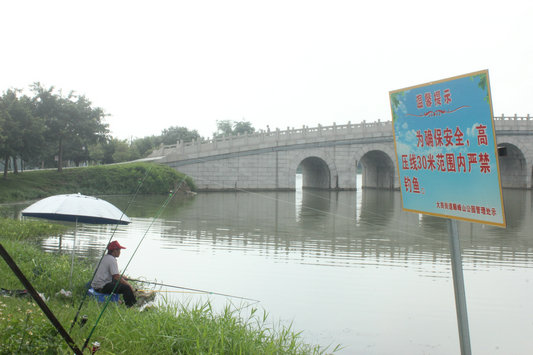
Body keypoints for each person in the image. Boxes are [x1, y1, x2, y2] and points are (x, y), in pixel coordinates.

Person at [91, 240, 136, 307]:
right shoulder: (112, 260)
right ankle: (130, 307)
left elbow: (114, 275)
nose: (120, 252)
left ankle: (119, 300)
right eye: (119, 250)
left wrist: (122, 277)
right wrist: (129, 285)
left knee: (122, 282)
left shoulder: (105, 257)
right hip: (102, 287)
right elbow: (116, 277)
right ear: (114, 251)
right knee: (126, 288)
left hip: (96, 285)